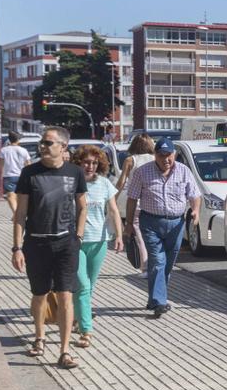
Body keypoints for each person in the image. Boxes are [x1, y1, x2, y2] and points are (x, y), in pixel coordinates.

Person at [11, 126, 87, 369]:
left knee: (66, 295)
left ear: (63, 147)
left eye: (48, 143)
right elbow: (21, 213)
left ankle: (64, 351)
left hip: (65, 243)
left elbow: (83, 205)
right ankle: (40, 336)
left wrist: (79, 235)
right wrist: (16, 248)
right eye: (42, 143)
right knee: (40, 294)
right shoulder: (30, 173)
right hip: (36, 242)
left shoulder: (75, 172)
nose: (42, 146)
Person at [123, 138, 200, 317]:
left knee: (168, 263)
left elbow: (195, 195)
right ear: (155, 155)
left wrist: (195, 211)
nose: (166, 159)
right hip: (150, 222)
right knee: (157, 261)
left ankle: (154, 299)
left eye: (169, 155)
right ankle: (160, 302)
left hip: (176, 224)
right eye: (162, 155)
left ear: (174, 155)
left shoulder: (184, 171)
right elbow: (132, 198)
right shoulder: (142, 172)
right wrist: (128, 225)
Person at [72, 145, 124, 348]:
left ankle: (78, 317)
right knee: (82, 285)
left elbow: (113, 210)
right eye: (86, 162)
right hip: (77, 241)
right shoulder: (72, 183)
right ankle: (87, 330)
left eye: (94, 163)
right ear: (79, 163)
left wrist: (119, 235)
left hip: (99, 241)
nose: (90, 166)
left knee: (89, 287)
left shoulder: (104, 184)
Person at [117, 134, 155, 268]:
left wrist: (113, 198)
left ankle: (145, 266)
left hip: (136, 202)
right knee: (152, 236)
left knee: (139, 236)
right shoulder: (155, 158)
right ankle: (154, 264)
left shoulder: (130, 160)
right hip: (152, 203)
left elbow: (122, 181)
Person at [0, 131, 31, 216]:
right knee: (19, 197)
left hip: (9, 176)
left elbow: (0, 165)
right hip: (22, 176)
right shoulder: (23, 150)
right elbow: (28, 164)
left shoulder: (3, 150)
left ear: (9, 140)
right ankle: (17, 214)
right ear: (18, 140)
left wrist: (0, 176)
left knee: (10, 196)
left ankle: (16, 213)